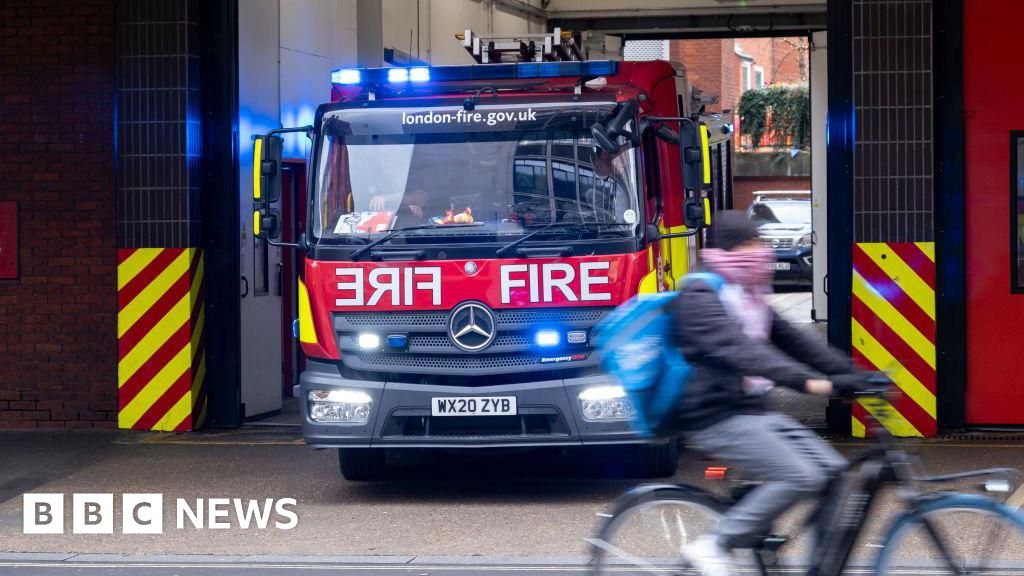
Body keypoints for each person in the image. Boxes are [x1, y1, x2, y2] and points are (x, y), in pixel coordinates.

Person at [671, 211, 878, 576]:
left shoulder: (749, 296)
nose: (760, 251)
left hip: (753, 412)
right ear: (727, 249)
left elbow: (797, 342)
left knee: (834, 473)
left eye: (759, 242)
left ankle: (821, 568)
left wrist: (855, 376)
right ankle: (715, 544)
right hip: (712, 415)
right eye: (749, 244)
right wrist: (808, 384)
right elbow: (743, 352)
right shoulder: (699, 294)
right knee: (802, 476)